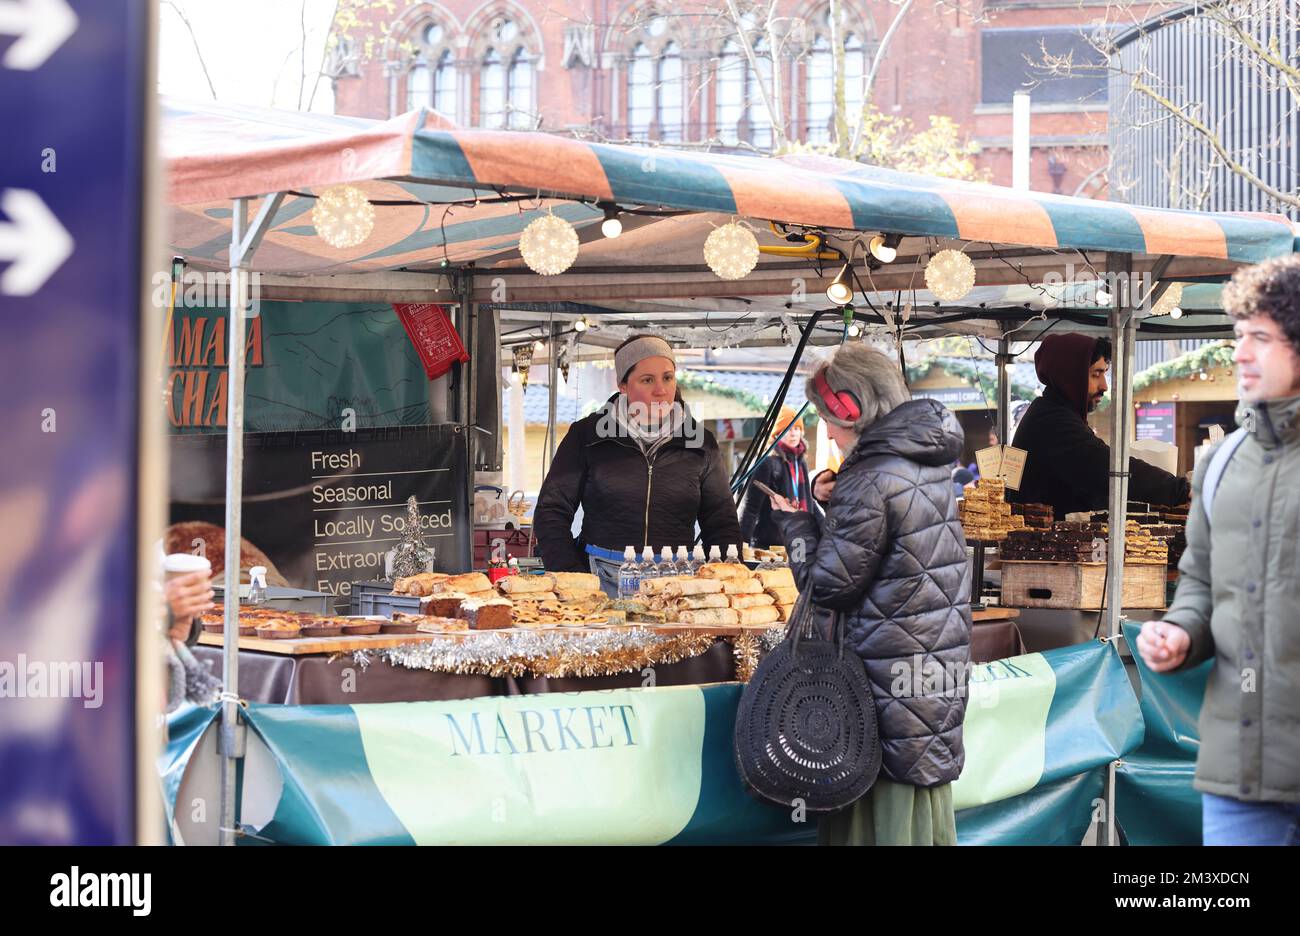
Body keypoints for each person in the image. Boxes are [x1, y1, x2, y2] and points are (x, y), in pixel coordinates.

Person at [767, 343, 971, 846]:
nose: (829, 433)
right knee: (918, 815)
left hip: (878, 690)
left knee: (874, 823)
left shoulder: (870, 477)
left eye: (829, 420)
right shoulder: (928, 467)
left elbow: (829, 586)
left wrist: (796, 525)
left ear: (851, 409)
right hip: (926, 680)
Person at [1136, 256, 1300, 845]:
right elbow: (1201, 582)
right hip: (1238, 772)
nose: (1241, 354)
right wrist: (1181, 632)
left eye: (1260, 337)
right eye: (1238, 337)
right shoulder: (1221, 463)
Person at [533, 334, 742, 596]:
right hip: (601, 579)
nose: (661, 390)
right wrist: (572, 577)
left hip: (677, 584)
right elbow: (551, 510)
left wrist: (729, 586)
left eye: (668, 377)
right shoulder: (588, 435)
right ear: (623, 385)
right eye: (647, 380)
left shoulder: (699, 442)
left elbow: (721, 523)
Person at [1010, 333, 1190, 518]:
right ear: (1070, 377)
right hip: (1038, 543)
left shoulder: (1056, 412)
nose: (1104, 385)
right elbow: (1106, 466)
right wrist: (1181, 490)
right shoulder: (1052, 420)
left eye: (1104, 373)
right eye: (1096, 374)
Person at [739, 406, 816, 549]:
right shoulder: (766, 462)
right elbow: (750, 508)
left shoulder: (800, 461)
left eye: (797, 429)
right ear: (777, 434)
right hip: (768, 544)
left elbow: (809, 502)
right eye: (787, 429)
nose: (793, 434)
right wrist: (742, 546)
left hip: (797, 541)